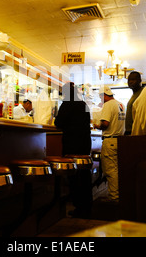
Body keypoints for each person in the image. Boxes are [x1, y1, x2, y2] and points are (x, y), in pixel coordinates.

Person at [54, 82, 92, 217]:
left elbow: (58, 123)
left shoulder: (66, 105)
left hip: (72, 145)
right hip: (85, 145)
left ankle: (78, 207)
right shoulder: (83, 104)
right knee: (85, 176)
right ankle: (87, 205)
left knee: (74, 176)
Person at [93, 85, 126, 202]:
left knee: (110, 171)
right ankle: (119, 195)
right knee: (116, 170)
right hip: (119, 140)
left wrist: (97, 126)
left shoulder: (108, 105)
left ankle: (115, 198)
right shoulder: (120, 104)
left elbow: (105, 124)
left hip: (110, 140)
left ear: (103, 95)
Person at [124, 71, 143, 135]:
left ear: (140, 80)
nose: (130, 82)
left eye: (133, 79)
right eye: (129, 80)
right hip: (130, 131)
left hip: (136, 132)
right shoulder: (134, 95)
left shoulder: (142, 93)